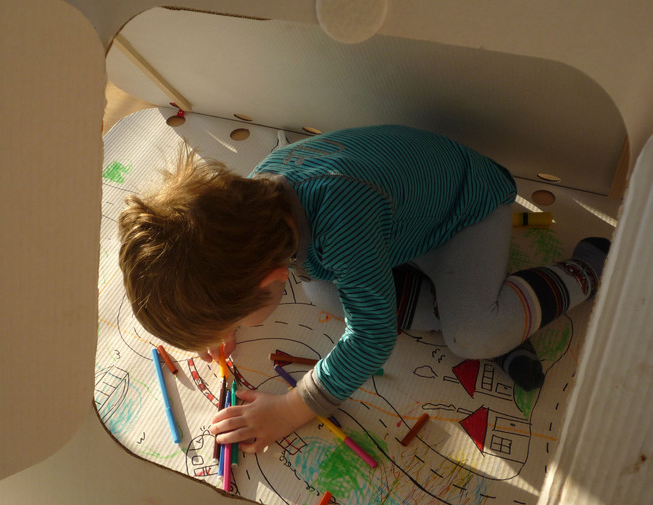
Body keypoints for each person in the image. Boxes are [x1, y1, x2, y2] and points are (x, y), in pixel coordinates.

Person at [118, 124, 609, 454]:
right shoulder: (247, 201)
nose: (234, 329)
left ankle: (586, 269)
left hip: (469, 211)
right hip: (403, 221)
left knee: (472, 335)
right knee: (324, 292)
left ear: (270, 279)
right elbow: (213, 262)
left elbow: (373, 338)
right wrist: (219, 315)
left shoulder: (342, 225)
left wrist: (291, 408)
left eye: (233, 320)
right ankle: (490, 312)